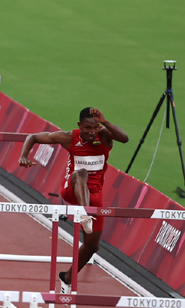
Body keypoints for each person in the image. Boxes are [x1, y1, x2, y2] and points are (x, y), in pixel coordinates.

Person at [19, 107, 129, 293]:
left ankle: (67, 277)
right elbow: (33, 137)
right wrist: (24, 155)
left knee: (92, 246)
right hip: (72, 188)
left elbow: (125, 139)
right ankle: (84, 215)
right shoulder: (69, 137)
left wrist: (106, 121)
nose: (91, 132)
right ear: (79, 126)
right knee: (81, 173)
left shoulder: (104, 136)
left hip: (95, 195)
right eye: (87, 128)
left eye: (95, 127)